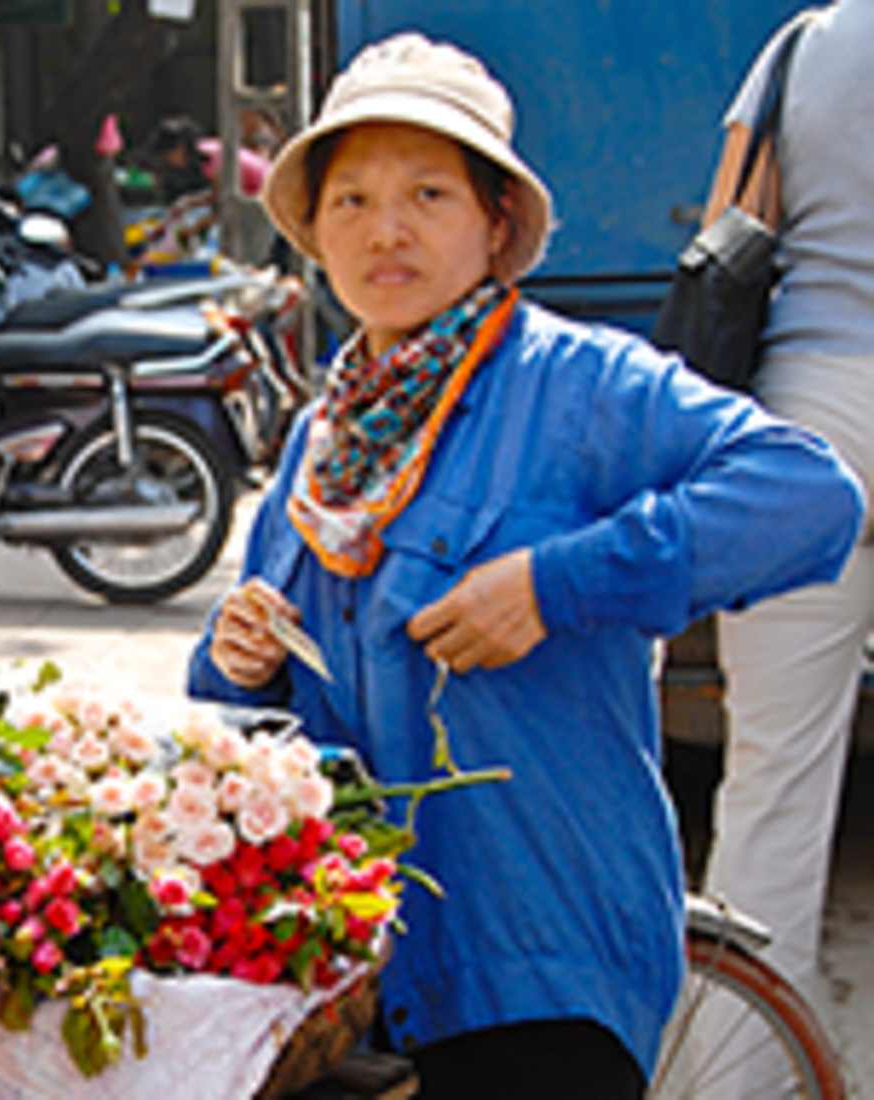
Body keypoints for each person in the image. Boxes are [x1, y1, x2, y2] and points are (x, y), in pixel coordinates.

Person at [184, 31, 864, 1099]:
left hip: (538, 961)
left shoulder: (580, 383)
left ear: (496, 222)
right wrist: (238, 660)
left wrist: (555, 584)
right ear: (314, 231)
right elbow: (247, 719)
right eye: (351, 200)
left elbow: (809, 494)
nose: (386, 230)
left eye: (427, 194)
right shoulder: (327, 438)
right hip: (359, 969)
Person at [699, 0, 874, 1014]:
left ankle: (740, 1075)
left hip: (806, 427)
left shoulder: (802, 45)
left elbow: (728, 227)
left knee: (770, 786)